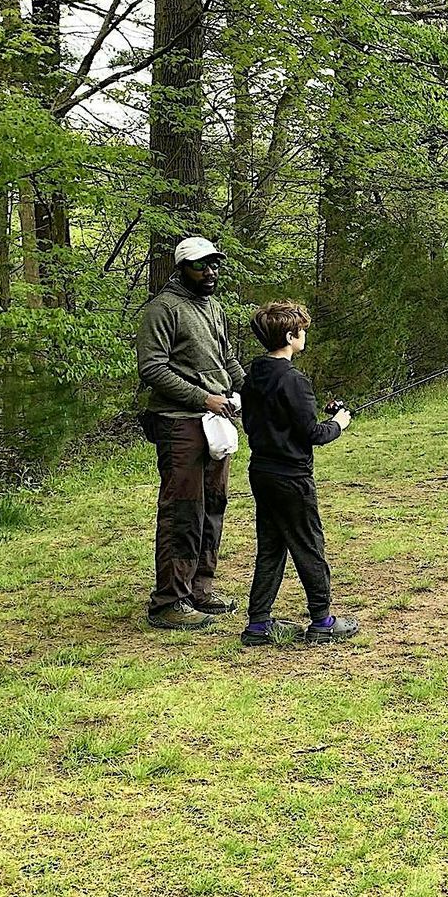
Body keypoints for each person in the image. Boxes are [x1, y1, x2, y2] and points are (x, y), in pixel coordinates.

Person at [137, 236, 245, 630]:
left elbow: (227, 357)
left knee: (213, 503)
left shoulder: (213, 305)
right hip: (178, 422)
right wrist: (204, 398)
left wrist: (249, 390)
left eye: (214, 264)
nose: (210, 272)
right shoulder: (163, 309)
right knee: (182, 509)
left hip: (217, 421)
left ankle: (200, 588)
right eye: (202, 265)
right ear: (181, 268)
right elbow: (152, 368)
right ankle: (169, 602)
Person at [239, 301, 359, 646]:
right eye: (301, 331)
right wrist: (339, 422)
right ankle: (322, 621)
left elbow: (268, 422)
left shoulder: (254, 377)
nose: (304, 335)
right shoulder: (294, 380)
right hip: (292, 479)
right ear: (290, 336)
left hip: (261, 473)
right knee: (308, 546)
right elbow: (313, 434)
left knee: (271, 548)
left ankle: (258, 625)